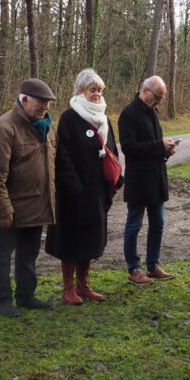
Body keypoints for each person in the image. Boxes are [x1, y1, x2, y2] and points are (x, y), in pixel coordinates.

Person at [0, 78, 58, 316]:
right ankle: (2, 300)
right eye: (40, 103)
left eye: (47, 103)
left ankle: (26, 296)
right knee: (3, 256)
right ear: (24, 100)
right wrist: (4, 208)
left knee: (29, 254)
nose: (45, 107)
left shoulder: (46, 127)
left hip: (37, 204)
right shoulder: (4, 128)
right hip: (11, 207)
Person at [48, 69, 120, 304]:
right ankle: (68, 288)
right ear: (80, 91)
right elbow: (64, 157)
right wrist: (75, 188)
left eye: (99, 90)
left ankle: (84, 285)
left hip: (98, 192)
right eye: (92, 90)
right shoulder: (70, 118)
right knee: (71, 239)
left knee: (91, 239)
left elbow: (112, 152)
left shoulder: (105, 119)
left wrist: (115, 180)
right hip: (74, 193)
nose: (97, 94)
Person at [119, 75, 179, 285]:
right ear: (144, 90)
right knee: (134, 225)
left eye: (162, 99)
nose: (159, 102)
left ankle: (153, 266)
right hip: (139, 179)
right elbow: (129, 148)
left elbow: (154, 144)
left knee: (158, 223)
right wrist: (158, 146)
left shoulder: (152, 112)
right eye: (157, 97)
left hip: (156, 178)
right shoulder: (128, 114)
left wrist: (166, 151)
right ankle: (133, 268)